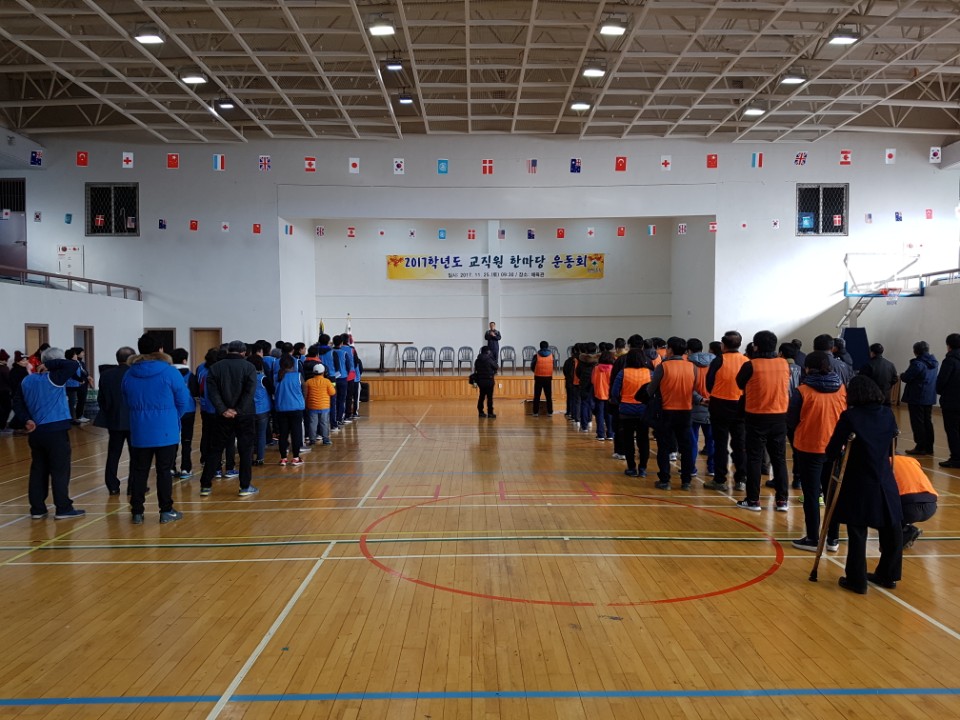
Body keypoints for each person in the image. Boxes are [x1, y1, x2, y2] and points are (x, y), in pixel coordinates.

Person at [825, 375, 902, 593]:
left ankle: (856, 580)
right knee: (891, 526)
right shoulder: (887, 414)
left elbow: (832, 450)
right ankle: (888, 574)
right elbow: (892, 446)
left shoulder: (850, 416)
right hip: (884, 478)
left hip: (859, 480)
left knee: (857, 530)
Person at [122, 334, 193, 524]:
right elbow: (183, 400)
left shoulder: (129, 373)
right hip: (166, 430)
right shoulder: (170, 372)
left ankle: (137, 512)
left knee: (139, 471)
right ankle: (166, 510)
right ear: (160, 349)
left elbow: (126, 399)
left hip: (139, 428)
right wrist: (172, 416)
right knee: (164, 471)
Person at [11, 347, 84, 519]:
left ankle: (37, 509)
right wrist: (50, 365)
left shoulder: (27, 380)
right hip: (55, 431)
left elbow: (17, 402)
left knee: (39, 470)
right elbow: (73, 365)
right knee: (60, 470)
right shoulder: (54, 377)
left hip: (36, 432)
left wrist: (26, 419)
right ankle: (63, 508)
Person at [787, 351, 846, 551]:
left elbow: (791, 420)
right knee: (832, 494)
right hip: (835, 447)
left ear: (807, 368)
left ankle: (813, 538)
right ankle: (833, 538)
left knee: (812, 494)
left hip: (809, 447)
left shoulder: (802, 391)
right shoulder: (842, 389)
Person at [735, 330, 791, 511]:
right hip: (780, 416)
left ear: (755, 346)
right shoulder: (784, 363)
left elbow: (739, 383)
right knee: (779, 459)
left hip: (756, 416)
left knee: (754, 458)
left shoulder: (751, 365)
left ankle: (753, 500)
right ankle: (782, 500)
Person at [199, 340, 259, 493]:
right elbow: (249, 392)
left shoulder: (215, 367)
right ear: (243, 352)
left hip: (222, 415)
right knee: (245, 450)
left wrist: (223, 409)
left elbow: (212, 392)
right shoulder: (249, 367)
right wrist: (238, 410)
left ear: (228, 351)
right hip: (245, 414)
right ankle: (245, 486)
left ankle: (205, 485)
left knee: (215, 449)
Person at [648, 336, 695, 490]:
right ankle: (686, 481)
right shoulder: (691, 366)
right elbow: (692, 389)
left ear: (671, 350)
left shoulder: (663, 366)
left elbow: (651, 389)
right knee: (686, 447)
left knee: (664, 447)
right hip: (686, 411)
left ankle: (665, 480)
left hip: (667, 411)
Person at [705, 331, 749, 491]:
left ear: (723, 345)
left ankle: (720, 479)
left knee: (720, 444)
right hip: (741, 404)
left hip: (720, 404)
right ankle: (741, 479)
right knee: (740, 444)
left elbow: (709, 383)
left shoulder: (719, 360)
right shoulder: (746, 361)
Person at [94, 346, 136, 495]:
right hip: (134, 419)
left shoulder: (106, 374)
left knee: (113, 453)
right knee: (136, 455)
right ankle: (133, 486)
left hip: (113, 419)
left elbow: (101, 398)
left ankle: (112, 485)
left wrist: (109, 411)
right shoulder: (135, 373)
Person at [611, 347, 652, 477]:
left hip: (626, 410)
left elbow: (614, 392)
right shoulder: (649, 373)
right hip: (644, 410)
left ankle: (632, 468)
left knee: (628, 440)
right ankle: (643, 468)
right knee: (643, 439)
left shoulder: (623, 373)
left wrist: (620, 402)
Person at [900, 340, 938, 456]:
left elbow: (907, 377)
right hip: (929, 396)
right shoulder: (934, 363)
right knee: (927, 422)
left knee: (918, 423)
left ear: (916, 351)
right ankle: (929, 447)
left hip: (917, 396)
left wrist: (902, 375)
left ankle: (920, 446)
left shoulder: (918, 364)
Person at [892, 454, 938, 548]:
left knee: (870, 515)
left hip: (908, 508)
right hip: (931, 506)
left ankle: (905, 531)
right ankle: (904, 532)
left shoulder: (882, 462)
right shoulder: (911, 460)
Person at [686, 338, 715, 478]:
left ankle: (691, 469)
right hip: (713, 406)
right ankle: (712, 468)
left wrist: (700, 399)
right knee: (712, 440)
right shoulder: (715, 364)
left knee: (692, 441)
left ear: (688, 350)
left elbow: (687, 387)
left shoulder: (689, 365)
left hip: (694, 407)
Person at [170, 348, 198, 478]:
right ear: (184, 360)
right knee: (187, 441)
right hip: (188, 411)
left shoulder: (168, 374)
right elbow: (196, 393)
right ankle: (186, 468)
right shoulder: (191, 376)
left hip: (172, 411)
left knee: (172, 440)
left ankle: (171, 467)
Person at [274, 353, 306, 465]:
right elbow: (304, 390)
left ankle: (283, 458)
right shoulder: (298, 376)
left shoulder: (276, 377)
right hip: (296, 408)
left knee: (283, 434)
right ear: (293, 365)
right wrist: (302, 400)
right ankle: (296, 457)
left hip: (281, 408)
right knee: (296, 433)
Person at [936, 333, 960, 468]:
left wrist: (940, 391)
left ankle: (956, 458)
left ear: (949, 346)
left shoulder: (950, 360)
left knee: (952, 430)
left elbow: (941, 381)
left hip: (952, 402)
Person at [304, 362, 336, 445]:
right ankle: (325, 439)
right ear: (323, 372)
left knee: (312, 423)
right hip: (324, 406)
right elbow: (332, 392)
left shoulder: (308, 382)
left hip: (312, 406)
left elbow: (305, 394)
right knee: (324, 423)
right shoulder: (327, 381)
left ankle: (312, 440)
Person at [64, 347, 92, 424]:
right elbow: (73, 374)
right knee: (72, 402)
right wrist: (80, 380)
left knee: (73, 402)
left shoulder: (75, 363)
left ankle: (73, 418)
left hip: (74, 385)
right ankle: (72, 419)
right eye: (75, 354)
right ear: (72, 356)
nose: (76, 355)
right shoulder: (72, 363)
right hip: (71, 385)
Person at [576, 342, 599, 432]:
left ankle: (584, 426)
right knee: (598, 403)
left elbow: (578, 372)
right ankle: (599, 427)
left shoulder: (582, 360)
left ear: (586, 350)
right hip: (596, 382)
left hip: (585, 382)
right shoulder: (599, 359)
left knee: (584, 403)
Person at [592, 350, 615, 440]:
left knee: (599, 415)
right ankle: (610, 434)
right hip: (609, 394)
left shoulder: (596, 368)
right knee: (609, 415)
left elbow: (592, 381)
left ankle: (600, 434)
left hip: (599, 394)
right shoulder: (612, 368)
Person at [530, 341, 555, 416]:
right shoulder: (552, 356)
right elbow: (553, 365)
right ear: (547, 346)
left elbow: (532, 366)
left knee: (537, 396)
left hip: (538, 377)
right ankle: (550, 412)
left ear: (540, 347)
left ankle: (535, 412)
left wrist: (536, 371)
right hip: (548, 377)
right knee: (548, 396)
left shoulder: (536, 356)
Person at [474, 346, 498, 418]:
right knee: (489, 398)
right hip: (489, 380)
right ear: (488, 351)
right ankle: (490, 413)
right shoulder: (489, 360)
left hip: (480, 380)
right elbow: (496, 367)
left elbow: (476, 369)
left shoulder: (477, 360)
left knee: (481, 396)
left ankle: (480, 412)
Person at [562, 344, 580, 422]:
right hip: (580, 383)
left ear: (572, 352)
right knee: (579, 400)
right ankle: (579, 415)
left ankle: (570, 413)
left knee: (570, 398)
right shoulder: (583, 361)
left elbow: (565, 371)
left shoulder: (568, 361)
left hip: (570, 382)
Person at [0, 349, 11, 434]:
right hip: (4, 392)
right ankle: (2, 426)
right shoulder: (4, 369)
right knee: (7, 408)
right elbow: (9, 380)